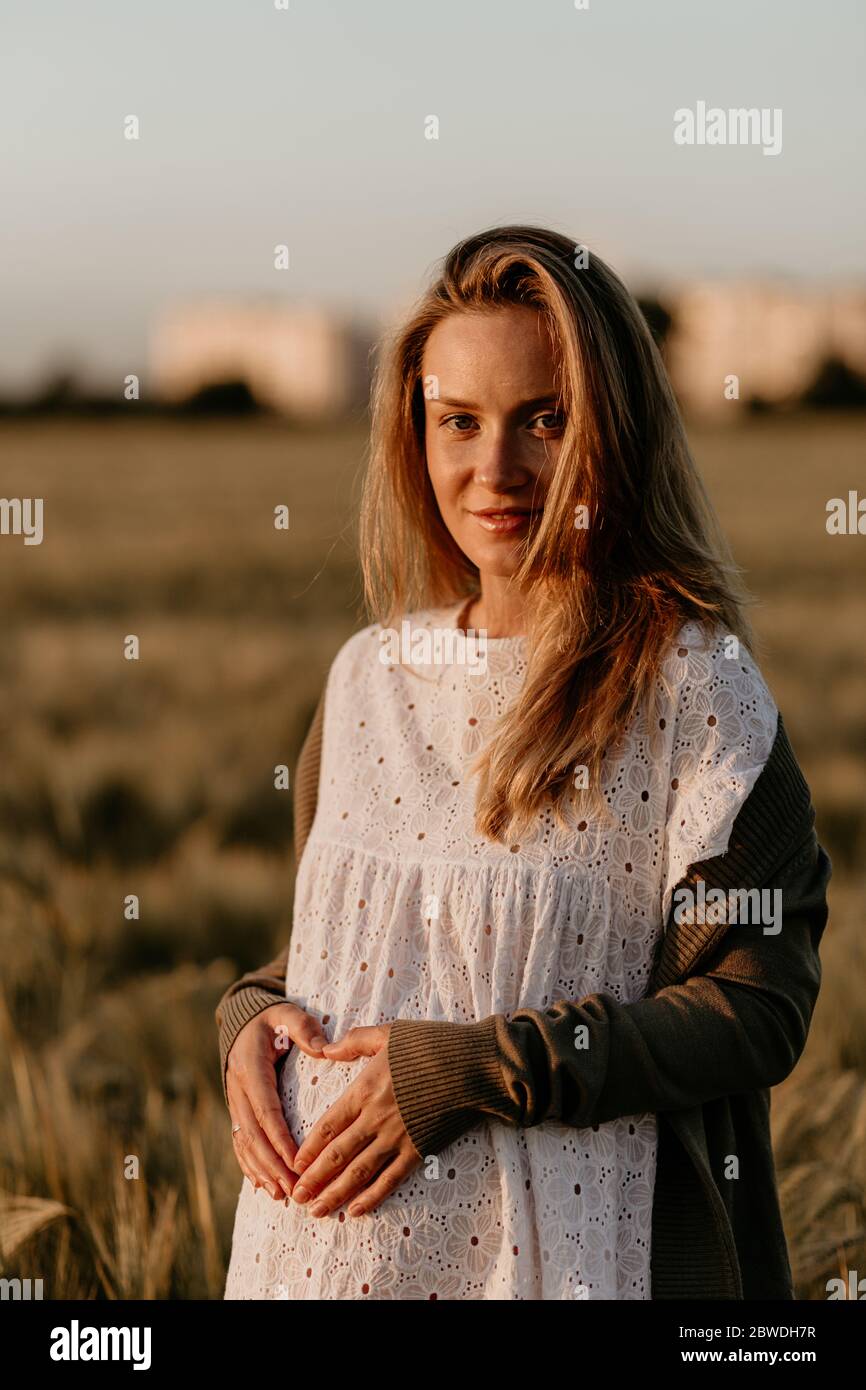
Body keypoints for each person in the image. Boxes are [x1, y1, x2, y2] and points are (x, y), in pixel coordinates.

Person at [216, 225, 830, 1300]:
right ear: (414, 433)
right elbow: (362, 954)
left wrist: (472, 1073)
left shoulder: (693, 691)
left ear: (613, 432)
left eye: (544, 421)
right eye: (457, 421)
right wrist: (250, 1018)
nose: (492, 469)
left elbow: (754, 1007)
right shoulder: (366, 678)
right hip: (299, 1267)